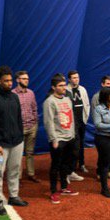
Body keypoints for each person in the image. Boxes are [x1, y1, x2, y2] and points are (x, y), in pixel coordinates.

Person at [0, 65, 27, 215]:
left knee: (15, 170)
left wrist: (20, 137)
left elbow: (18, 119)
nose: (10, 83)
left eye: (10, 81)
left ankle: (14, 195)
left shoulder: (14, 97)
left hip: (16, 142)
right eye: (6, 81)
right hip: (0, 145)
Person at [43, 74, 78, 204]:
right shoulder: (49, 102)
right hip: (58, 139)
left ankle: (64, 187)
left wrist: (72, 134)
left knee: (66, 164)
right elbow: (48, 122)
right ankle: (53, 191)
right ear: (53, 87)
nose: (64, 88)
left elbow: (71, 117)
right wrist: (54, 139)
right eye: (60, 86)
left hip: (69, 137)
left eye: (64, 85)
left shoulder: (67, 99)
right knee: (55, 166)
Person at [12, 70, 39, 182]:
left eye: (27, 79)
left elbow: (34, 108)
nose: (26, 81)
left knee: (30, 152)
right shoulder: (12, 94)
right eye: (24, 79)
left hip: (31, 126)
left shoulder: (31, 93)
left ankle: (31, 173)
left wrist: (35, 122)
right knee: (18, 154)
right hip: (19, 128)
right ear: (18, 80)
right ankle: (18, 177)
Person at [66, 70, 90, 176]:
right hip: (71, 124)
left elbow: (87, 104)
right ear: (69, 79)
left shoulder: (83, 89)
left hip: (82, 121)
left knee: (81, 144)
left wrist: (85, 117)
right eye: (74, 77)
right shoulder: (66, 90)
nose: (76, 79)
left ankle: (82, 164)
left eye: (77, 77)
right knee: (72, 145)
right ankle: (72, 166)